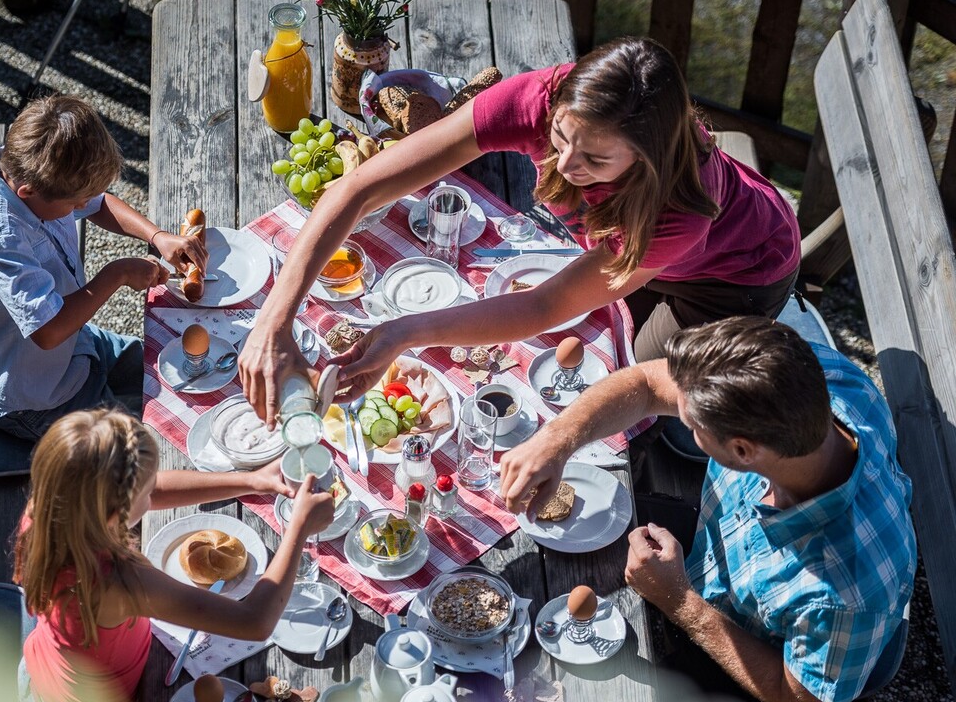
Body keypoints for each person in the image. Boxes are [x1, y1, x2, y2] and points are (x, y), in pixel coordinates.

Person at [239, 37, 800, 421]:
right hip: (640, 254)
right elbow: (361, 187)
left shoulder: (676, 214)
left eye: (596, 160)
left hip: (735, 275)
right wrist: (272, 321)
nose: (565, 163)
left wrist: (403, 333)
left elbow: (543, 306)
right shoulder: (540, 100)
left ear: (647, 157)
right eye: (559, 137)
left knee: (643, 396)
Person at [498, 317, 915, 702]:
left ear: (742, 451)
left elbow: (802, 700)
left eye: (692, 426)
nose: (678, 413)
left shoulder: (843, 594)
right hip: (713, 560)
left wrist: (680, 602)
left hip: (778, 659)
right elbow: (647, 384)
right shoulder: (811, 377)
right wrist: (557, 440)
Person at [14, 408, 334, 702]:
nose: (154, 490)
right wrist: (298, 529)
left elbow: (153, 490)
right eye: (147, 490)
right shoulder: (118, 581)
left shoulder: (51, 511)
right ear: (116, 512)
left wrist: (253, 480)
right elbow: (254, 621)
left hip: (43, 676)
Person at [0, 95, 207, 440]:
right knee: (144, 441)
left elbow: (99, 203)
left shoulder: (31, 168)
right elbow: (48, 331)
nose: (83, 206)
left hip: (77, 346)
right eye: (75, 204)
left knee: (180, 366)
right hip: (36, 394)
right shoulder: (1, 235)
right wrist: (117, 273)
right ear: (28, 192)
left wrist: (157, 236)